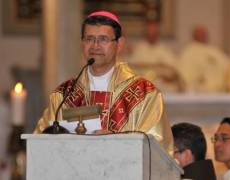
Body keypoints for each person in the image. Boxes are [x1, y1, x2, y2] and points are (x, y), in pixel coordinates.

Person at [33, 11, 173, 154]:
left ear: (119, 44)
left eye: (103, 39)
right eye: (89, 38)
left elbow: (157, 147)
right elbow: (41, 141)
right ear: (82, 43)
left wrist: (115, 142)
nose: (95, 45)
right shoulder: (64, 94)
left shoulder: (144, 94)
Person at [128, 20, 184, 93]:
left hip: (162, 86)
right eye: (149, 32)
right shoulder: (138, 50)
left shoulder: (164, 50)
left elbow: (173, 70)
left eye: (154, 32)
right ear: (145, 33)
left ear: (158, 33)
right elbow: (131, 70)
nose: (152, 34)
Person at [179, 25, 229, 93]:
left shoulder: (215, 51)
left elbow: (227, 65)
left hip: (220, 91)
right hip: (199, 91)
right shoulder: (189, 52)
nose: (202, 35)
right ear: (194, 36)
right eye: (199, 33)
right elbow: (184, 73)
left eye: (204, 33)